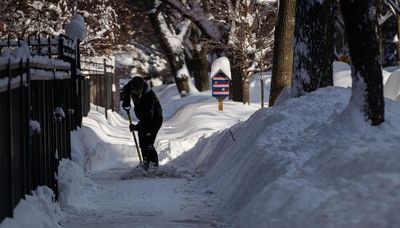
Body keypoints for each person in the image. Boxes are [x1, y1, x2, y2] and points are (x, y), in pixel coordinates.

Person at [122, 76, 163, 169]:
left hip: (154, 119)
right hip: (143, 118)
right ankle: (146, 163)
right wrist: (126, 99)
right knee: (142, 143)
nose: (136, 93)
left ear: (142, 88)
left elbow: (149, 118)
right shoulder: (130, 87)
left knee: (148, 144)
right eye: (134, 91)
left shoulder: (149, 97)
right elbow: (125, 90)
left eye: (138, 91)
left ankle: (154, 166)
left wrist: (137, 127)